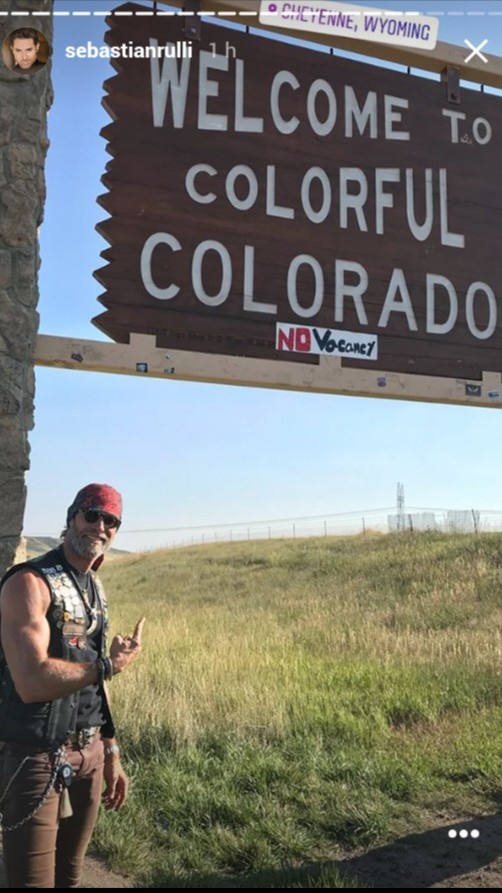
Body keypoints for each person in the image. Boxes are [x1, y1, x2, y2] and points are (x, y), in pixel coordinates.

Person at [0, 483, 145, 888]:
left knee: (70, 876)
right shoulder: (29, 582)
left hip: (90, 754)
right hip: (34, 757)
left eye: (111, 521)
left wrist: (111, 751)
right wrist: (108, 666)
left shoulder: (93, 585)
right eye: (91, 515)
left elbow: (95, 683)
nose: (100, 526)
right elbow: (31, 682)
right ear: (71, 518)